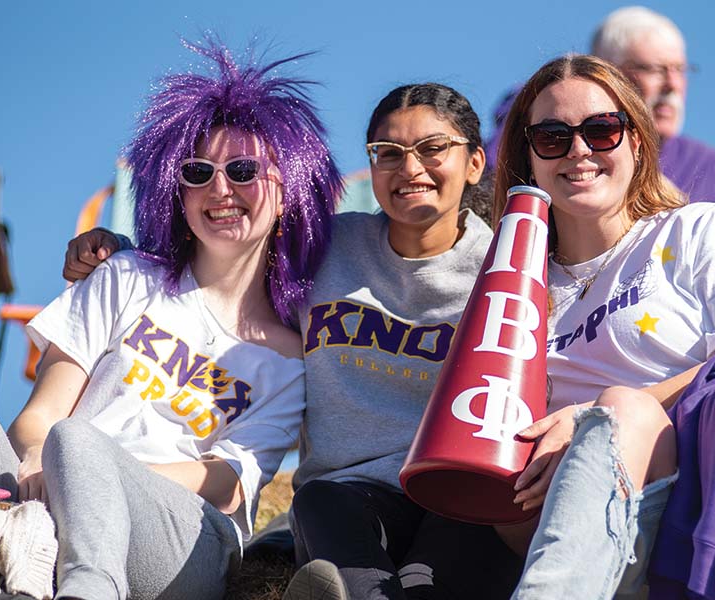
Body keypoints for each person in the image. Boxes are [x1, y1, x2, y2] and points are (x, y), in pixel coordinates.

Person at [64, 82, 525, 600]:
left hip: (454, 495)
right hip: (350, 496)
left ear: (476, 162)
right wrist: (116, 251)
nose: (410, 168)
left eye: (433, 149)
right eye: (388, 153)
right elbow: (227, 247)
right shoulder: (325, 246)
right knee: (318, 503)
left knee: (439, 562)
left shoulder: (511, 272)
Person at [0, 37, 339, 600]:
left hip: (183, 538)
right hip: (59, 479)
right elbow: (39, 418)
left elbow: (227, 486)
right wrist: (47, 460)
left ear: (287, 190)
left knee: (80, 444)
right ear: (176, 191)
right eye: (198, 171)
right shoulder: (125, 276)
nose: (220, 188)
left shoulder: (292, 358)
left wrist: (86, 472)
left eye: (244, 169)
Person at [493, 54, 715, 599]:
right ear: (528, 158)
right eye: (552, 137)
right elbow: (506, 501)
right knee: (622, 414)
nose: (580, 151)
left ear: (637, 141)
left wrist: (594, 415)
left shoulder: (702, 230)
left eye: (601, 130)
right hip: (604, 537)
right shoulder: (511, 293)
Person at [485, 6, 715, 265]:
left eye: (680, 69)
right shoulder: (529, 121)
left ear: (635, 145)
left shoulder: (711, 168)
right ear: (605, 72)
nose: (672, 84)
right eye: (654, 69)